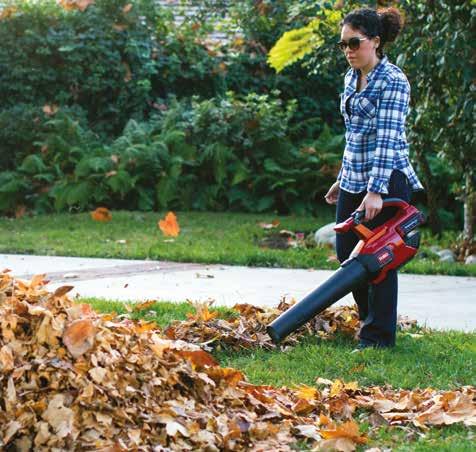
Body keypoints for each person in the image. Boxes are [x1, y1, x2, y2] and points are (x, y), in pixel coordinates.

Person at [324, 7, 424, 349]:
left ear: (376, 42)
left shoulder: (393, 81)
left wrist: (376, 191)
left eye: (355, 43)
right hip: (355, 180)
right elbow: (355, 137)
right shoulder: (351, 79)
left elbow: (386, 138)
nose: (349, 50)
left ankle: (378, 337)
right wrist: (342, 178)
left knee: (379, 258)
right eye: (343, 45)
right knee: (346, 256)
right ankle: (372, 321)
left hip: (386, 181)